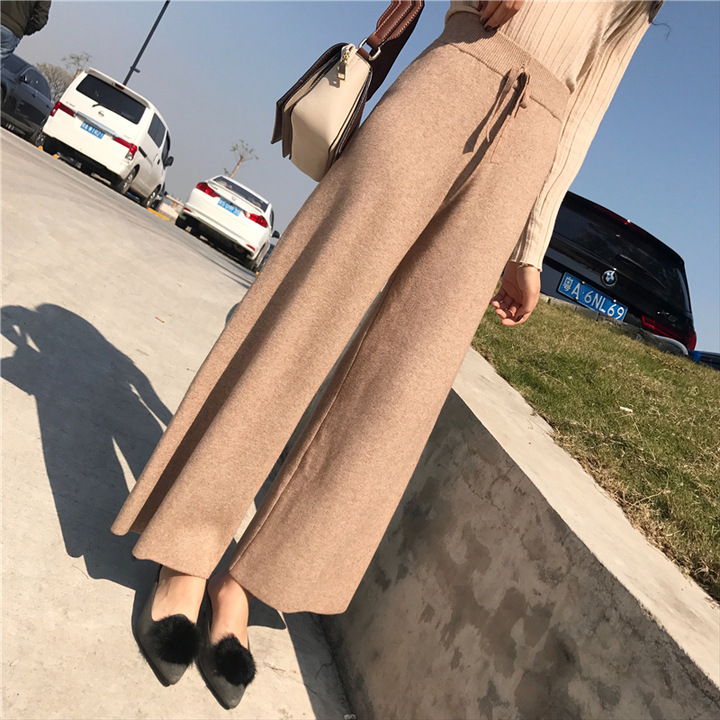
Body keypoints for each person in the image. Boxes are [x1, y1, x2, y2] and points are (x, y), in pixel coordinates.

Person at [111, 0, 663, 708]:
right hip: (453, 78)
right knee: (306, 310)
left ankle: (246, 582)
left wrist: (531, 246)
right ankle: (185, 550)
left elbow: (584, 112)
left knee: (401, 387)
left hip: (529, 151)